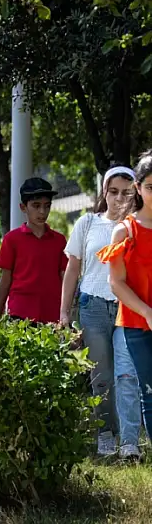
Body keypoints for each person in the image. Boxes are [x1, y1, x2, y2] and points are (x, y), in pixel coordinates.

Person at [61, 166, 138, 459]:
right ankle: (106, 432)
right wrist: (64, 313)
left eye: (126, 192)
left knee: (127, 374)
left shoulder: (138, 226)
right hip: (92, 307)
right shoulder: (87, 223)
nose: (119, 198)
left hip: (127, 308)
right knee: (101, 376)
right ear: (104, 192)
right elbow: (72, 269)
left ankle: (130, 442)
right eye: (113, 191)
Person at [99, 153, 152, 465]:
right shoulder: (126, 231)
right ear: (138, 187)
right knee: (148, 390)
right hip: (136, 322)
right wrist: (146, 311)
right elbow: (116, 282)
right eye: (150, 186)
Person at [0, 178, 66, 323]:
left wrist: (68, 309)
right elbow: (6, 277)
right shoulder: (11, 239)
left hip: (52, 313)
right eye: (36, 205)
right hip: (20, 312)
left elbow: (65, 276)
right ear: (23, 207)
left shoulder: (59, 240)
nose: (42, 211)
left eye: (47, 206)